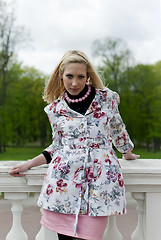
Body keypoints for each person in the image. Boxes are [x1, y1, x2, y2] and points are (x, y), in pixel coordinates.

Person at [9, 50, 140, 240]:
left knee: (92, 235)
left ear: (88, 77)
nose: (75, 83)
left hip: (98, 183)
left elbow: (117, 128)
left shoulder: (107, 99)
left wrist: (126, 151)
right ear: (61, 77)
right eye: (69, 76)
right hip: (63, 186)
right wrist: (29, 163)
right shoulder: (55, 109)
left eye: (81, 77)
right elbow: (57, 146)